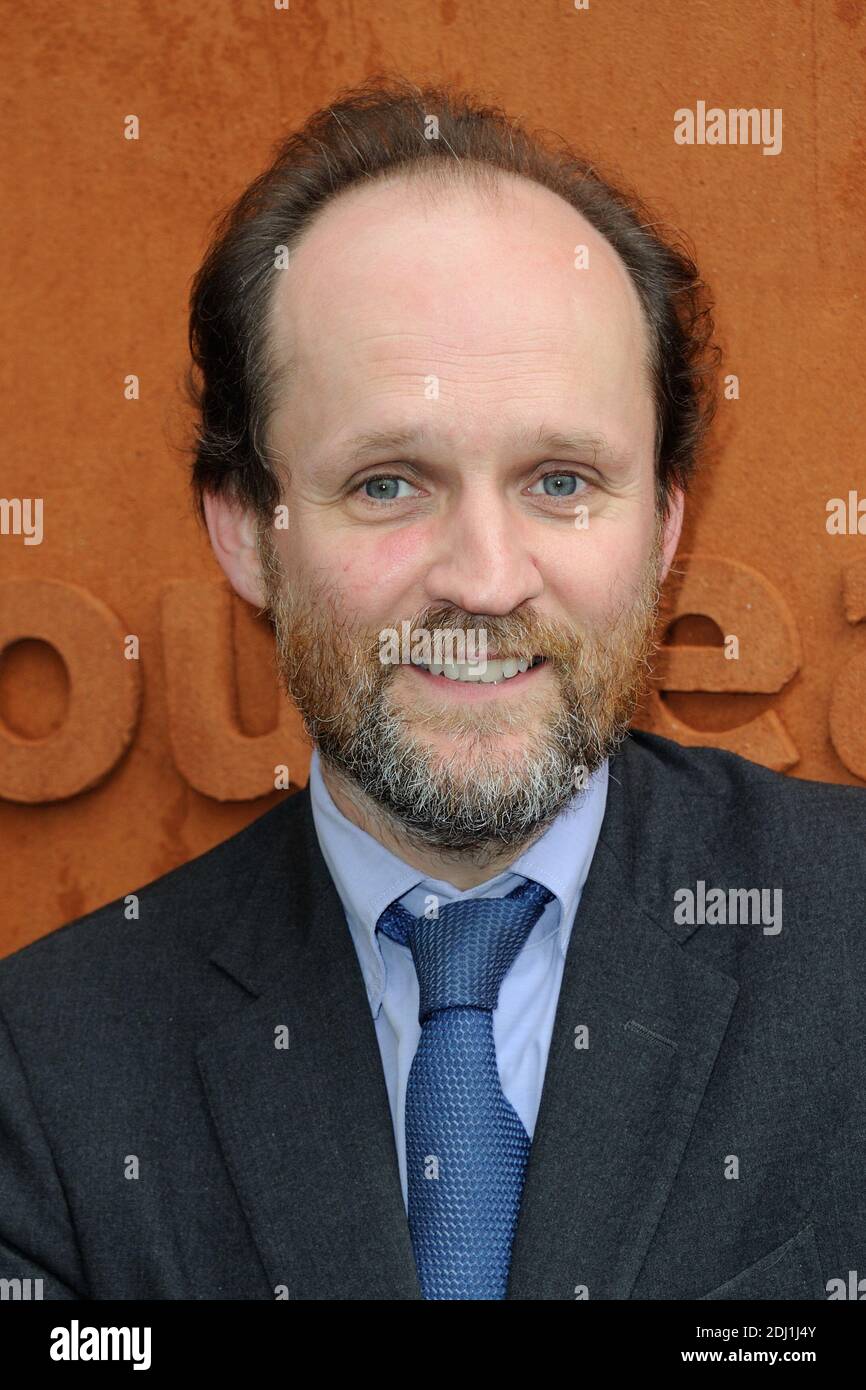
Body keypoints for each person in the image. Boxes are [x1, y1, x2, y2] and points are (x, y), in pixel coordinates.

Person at [1, 76, 864, 1302]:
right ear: (248, 527)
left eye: (560, 480)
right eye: (390, 484)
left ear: (664, 525)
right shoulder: (48, 1070)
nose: (484, 578)